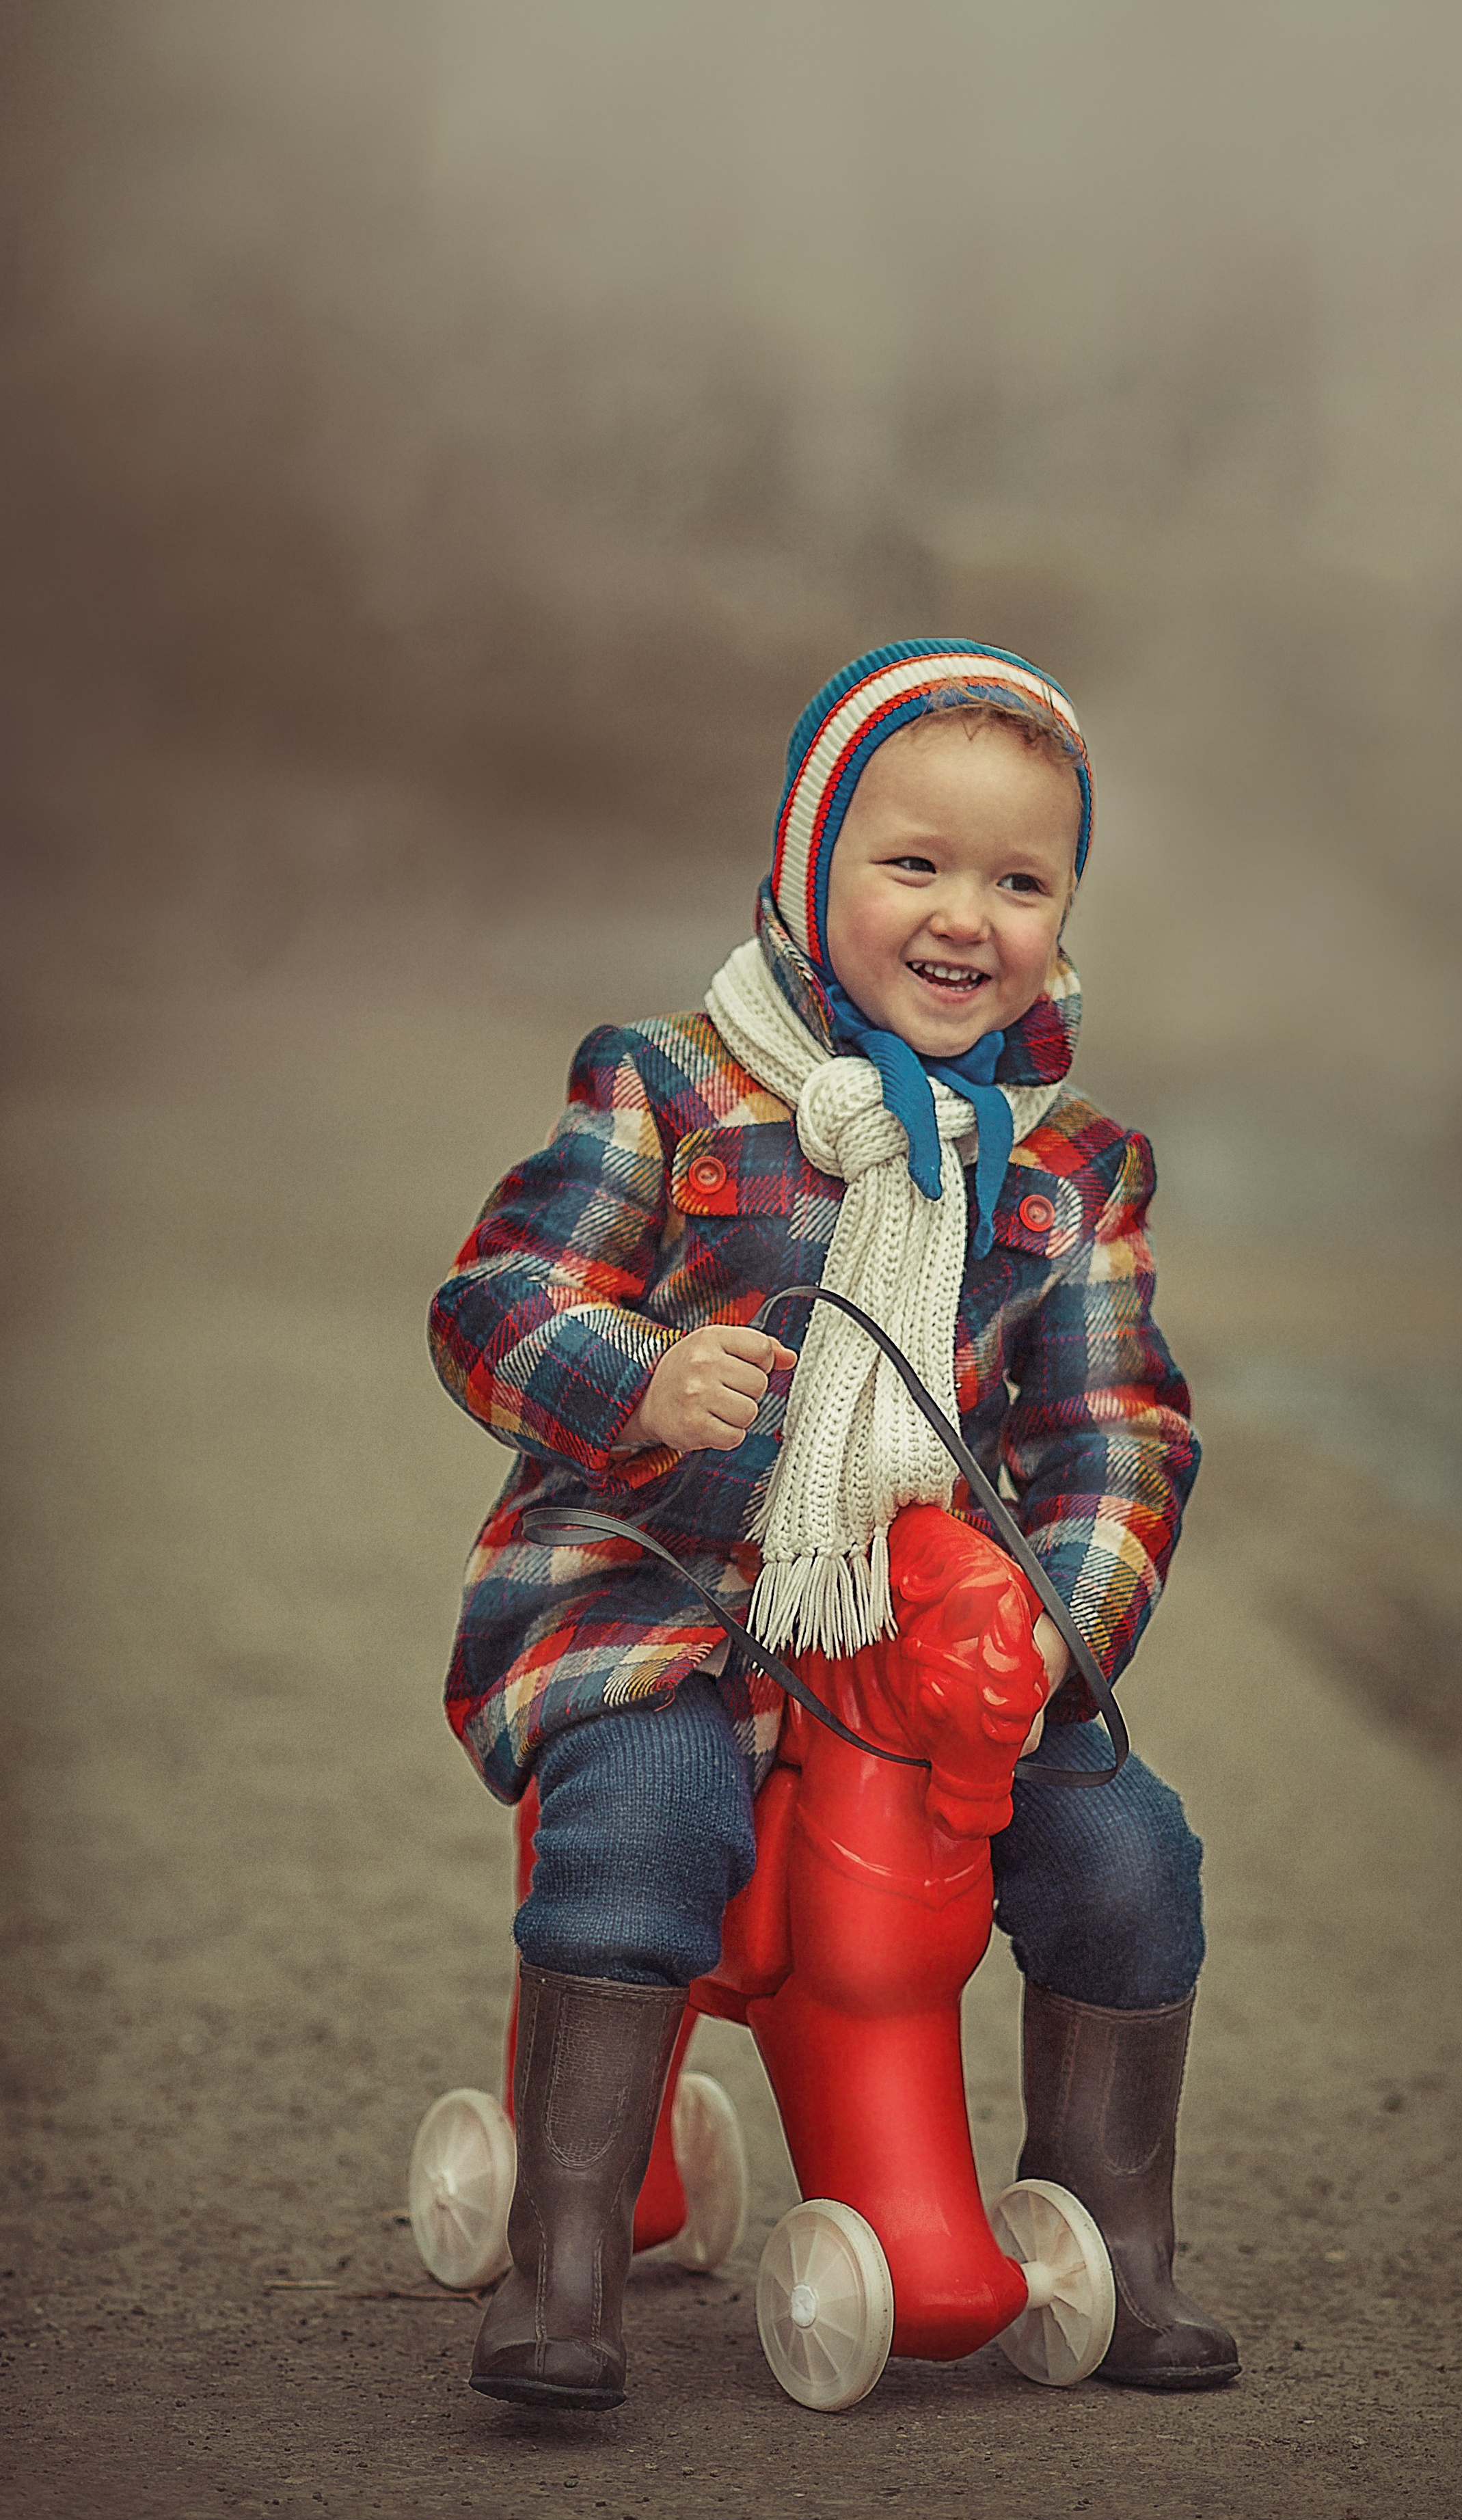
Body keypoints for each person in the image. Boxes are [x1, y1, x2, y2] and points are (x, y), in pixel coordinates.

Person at [430, 638, 1239, 2410]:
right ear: (810, 876)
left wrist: (1053, 1620)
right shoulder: (671, 1084)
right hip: (658, 1594)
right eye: (916, 864)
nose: (968, 917)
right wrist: (636, 1378)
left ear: (1063, 911)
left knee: (1130, 1856)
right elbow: (493, 1301)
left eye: (1021, 881)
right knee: (649, 1820)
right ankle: (566, 2255)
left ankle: (1119, 2230)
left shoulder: (1070, 1164)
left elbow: (1117, 1430)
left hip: (928, 1625)